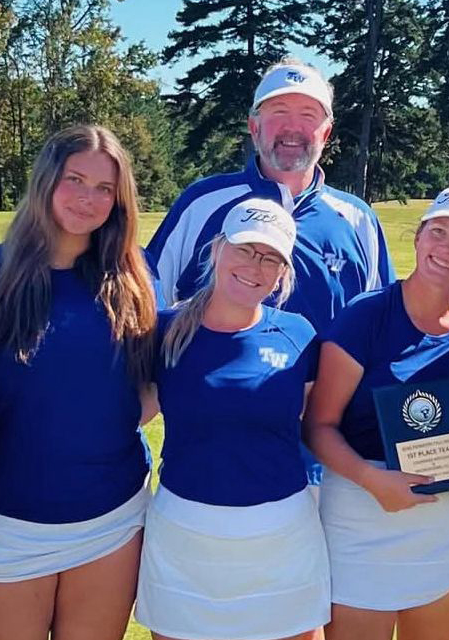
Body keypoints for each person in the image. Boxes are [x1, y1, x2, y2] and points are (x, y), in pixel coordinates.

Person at [146, 57, 394, 489]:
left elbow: (383, 333)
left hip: (330, 468)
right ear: (254, 126)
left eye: (307, 115)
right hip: (211, 463)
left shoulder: (357, 220)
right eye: (278, 113)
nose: (292, 128)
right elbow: (146, 301)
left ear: (327, 132)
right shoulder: (202, 203)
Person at [0, 124, 158, 640]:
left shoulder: (133, 280)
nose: (88, 199)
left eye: (105, 188)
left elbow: (157, 375)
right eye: (75, 179)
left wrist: (115, 416)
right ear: (47, 181)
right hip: (5, 519)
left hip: (111, 517)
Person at [304, 187, 449, 640]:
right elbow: (318, 426)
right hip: (362, 512)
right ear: (418, 237)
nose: (446, 248)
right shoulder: (365, 317)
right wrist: (375, 482)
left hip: (446, 525)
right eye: (439, 231)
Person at [135, 198, 329, 640]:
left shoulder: (299, 334)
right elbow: (130, 413)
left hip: (280, 531)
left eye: (271, 257)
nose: (255, 265)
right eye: (245, 249)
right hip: (184, 531)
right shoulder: (164, 331)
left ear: (284, 272)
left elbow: (324, 425)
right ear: (217, 249)